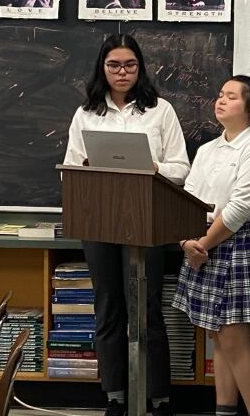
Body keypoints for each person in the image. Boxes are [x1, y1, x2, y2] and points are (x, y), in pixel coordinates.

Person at [63, 33, 190, 416]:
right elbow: (69, 172)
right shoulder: (86, 113)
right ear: (102, 68)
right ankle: (116, 395)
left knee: (146, 308)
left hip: (146, 221)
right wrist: (88, 171)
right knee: (109, 308)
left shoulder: (160, 110)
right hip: (98, 219)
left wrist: (152, 168)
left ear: (140, 68)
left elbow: (182, 170)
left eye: (130, 65)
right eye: (114, 65)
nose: (122, 72)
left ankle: (157, 397)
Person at [172, 73, 250, 416]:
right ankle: (224, 411)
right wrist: (187, 241)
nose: (221, 101)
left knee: (236, 342)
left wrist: (201, 245)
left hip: (241, 245)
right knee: (219, 340)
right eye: (220, 95)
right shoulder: (209, 149)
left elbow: (239, 209)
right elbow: (188, 198)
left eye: (232, 97)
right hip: (203, 242)